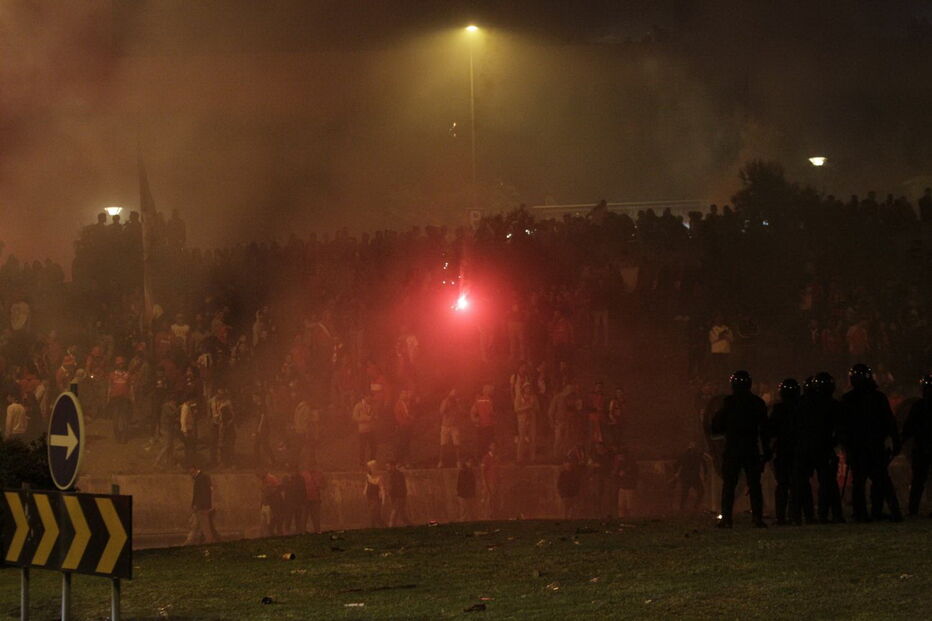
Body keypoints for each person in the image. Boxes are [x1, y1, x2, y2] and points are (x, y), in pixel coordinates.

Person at [841, 364, 902, 522]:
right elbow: (890, 422)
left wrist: (846, 445)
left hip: (860, 447)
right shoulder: (877, 398)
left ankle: (862, 512)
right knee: (879, 480)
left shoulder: (849, 399)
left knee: (861, 482)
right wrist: (895, 441)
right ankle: (876, 510)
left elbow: (843, 426)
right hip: (873, 446)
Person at [709, 370, 768, 528]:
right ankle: (757, 518)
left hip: (733, 448)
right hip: (751, 448)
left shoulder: (729, 403)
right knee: (754, 485)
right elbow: (765, 429)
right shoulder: (757, 403)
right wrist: (766, 451)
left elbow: (716, 427)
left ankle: (727, 518)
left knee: (729, 485)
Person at [768, 379, 801, 525]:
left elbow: (771, 430)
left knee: (782, 484)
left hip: (783, 450)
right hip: (798, 450)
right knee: (796, 484)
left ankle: (781, 516)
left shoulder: (778, 409)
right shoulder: (802, 408)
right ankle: (795, 515)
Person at [901, 374, 932, 517]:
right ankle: (913, 509)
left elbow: (908, 428)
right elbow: (909, 427)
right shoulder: (918, 406)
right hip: (922, 448)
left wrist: (900, 441)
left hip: (921, 448)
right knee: (919, 480)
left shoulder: (919, 406)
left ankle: (913, 509)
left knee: (918, 481)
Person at [184, 464, 218, 544]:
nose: (191, 475)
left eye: (192, 473)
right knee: (196, 526)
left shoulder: (200, 479)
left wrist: (198, 506)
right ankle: (188, 542)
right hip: (202, 507)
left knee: (205, 527)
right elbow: (207, 492)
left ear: (195, 470)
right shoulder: (204, 477)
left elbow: (202, 494)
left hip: (201, 508)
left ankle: (209, 541)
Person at [674, 441, 707, 513]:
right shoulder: (687, 455)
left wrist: (676, 473)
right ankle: (684, 507)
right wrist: (676, 473)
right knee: (686, 493)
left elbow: (704, 464)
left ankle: (692, 507)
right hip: (688, 477)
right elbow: (676, 464)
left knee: (698, 492)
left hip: (691, 477)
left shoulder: (696, 455)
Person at [107, 356, 132, 443]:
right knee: (116, 418)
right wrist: (108, 398)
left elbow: (130, 387)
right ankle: (118, 436)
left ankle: (124, 437)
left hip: (125, 398)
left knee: (124, 417)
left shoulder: (127, 374)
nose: (120, 365)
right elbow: (109, 387)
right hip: (115, 398)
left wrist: (132, 398)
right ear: (116, 365)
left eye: (122, 363)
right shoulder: (112, 374)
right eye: (119, 364)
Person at [514, 381, 539, 464]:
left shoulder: (534, 397)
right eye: (526, 387)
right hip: (522, 420)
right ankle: (519, 459)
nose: (528, 389)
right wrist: (526, 407)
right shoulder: (519, 397)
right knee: (522, 439)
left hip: (532, 420)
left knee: (533, 439)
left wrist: (533, 408)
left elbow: (538, 408)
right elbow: (516, 409)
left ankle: (533, 458)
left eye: (529, 387)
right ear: (523, 389)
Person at [438, 389, 465, 467]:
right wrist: (446, 403)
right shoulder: (445, 401)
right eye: (453, 392)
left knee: (457, 445)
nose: (454, 394)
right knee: (443, 445)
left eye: (455, 392)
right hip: (445, 426)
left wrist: (458, 403)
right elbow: (441, 412)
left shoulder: (458, 401)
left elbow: (462, 411)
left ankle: (458, 462)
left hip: (455, 426)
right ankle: (441, 462)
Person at [470, 385, 496, 458]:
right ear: (487, 391)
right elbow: (491, 412)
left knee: (481, 444)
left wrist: (475, 421)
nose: (492, 391)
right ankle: (489, 459)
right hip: (489, 425)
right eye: (491, 390)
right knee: (490, 443)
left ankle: (481, 459)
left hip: (480, 426)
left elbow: (472, 412)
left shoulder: (478, 400)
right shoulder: (490, 400)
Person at [301, 461, 326, 533]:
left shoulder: (320, 474)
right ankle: (303, 531)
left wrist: (320, 486)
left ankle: (317, 530)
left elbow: (324, 485)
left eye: (313, 465)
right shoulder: (304, 474)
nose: (311, 467)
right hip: (306, 498)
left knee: (316, 516)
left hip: (316, 498)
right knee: (305, 516)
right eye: (310, 465)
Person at [352, 394, 377, 466]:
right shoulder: (358, 406)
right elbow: (354, 417)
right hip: (363, 430)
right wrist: (365, 419)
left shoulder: (373, 406)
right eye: (368, 396)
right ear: (364, 397)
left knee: (374, 447)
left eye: (371, 396)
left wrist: (375, 417)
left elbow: (375, 415)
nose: (370, 398)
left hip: (372, 430)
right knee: (362, 447)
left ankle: (372, 461)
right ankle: (361, 462)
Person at [257, 470, 284, 536]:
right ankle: (273, 532)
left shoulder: (270, 479)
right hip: (270, 503)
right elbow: (264, 494)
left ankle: (276, 532)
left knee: (276, 518)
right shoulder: (265, 480)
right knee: (272, 519)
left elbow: (273, 490)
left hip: (274, 502)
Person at [384, 461, 410, 527]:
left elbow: (399, 487)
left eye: (388, 466)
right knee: (403, 516)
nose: (387, 468)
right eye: (387, 467)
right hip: (395, 498)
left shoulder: (398, 475)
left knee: (394, 515)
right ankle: (412, 527)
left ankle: (391, 530)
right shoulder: (391, 474)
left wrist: (391, 492)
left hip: (399, 497)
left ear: (393, 466)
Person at [615, 447, 639, 518]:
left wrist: (626, 474)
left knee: (630, 507)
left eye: (620, 455)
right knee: (621, 507)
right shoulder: (620, 464)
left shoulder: (631, 464)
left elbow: (635, 475)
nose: (619, 457)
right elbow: (617, 474)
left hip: (630, 488)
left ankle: (632, 520)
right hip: (622, 487)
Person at [282, 466, 307, 534]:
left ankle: (298, 532)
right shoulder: (286, 478)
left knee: (298, 518)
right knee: (288, 518)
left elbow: (303, 490)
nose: (294, 472)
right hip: (289, 502)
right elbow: (283, 488)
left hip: (298, 501)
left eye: (295, 470)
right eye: (292, 470)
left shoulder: (301, 478)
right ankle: (287, 532)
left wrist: (304, 501)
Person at [481, 441, 501, 519]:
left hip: (496, 482)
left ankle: (493, 515)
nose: (494, 448)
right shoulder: (486, 458)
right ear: (490, 447)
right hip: (489, 483)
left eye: (495, 446)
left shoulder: (497, 458)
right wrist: (485, 484)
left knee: (495, 500)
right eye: (493, 446)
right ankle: (487, 516)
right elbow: (482, 472)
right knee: (488, 500)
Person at [364, 460, 384, 528]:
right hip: (369, 498)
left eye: (369, 467)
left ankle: (373, 528)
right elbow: (366, 486)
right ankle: (384, 527)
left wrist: (383, 499)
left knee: (373, 514)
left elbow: (382, 488)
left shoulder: (379, 477)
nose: (368, 469)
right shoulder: (368, 477)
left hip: (376, 498)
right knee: (377, 517)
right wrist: (364, 493)